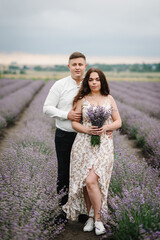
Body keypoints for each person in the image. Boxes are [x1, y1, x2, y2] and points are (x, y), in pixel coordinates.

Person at [63, 68, 122, 235]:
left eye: (97, 79)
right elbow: (75, 123)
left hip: (103, 144)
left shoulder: (109, 99)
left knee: (91, 180)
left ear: (102, 81)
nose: (94, 82)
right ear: (87, 82)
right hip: (83, 144)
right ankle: (90, 217)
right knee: (85, 183)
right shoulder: (81, 99)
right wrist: (86, 130)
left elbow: (119, 122)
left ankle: (98, 219)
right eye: (91, 80)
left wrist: (107, 127)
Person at [43, 52, 87, 223]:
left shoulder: (90, 85)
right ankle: (63, 210)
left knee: (84, 173)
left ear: (85, 66)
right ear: (69, 66)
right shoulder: (59, 85)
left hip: (85, 137)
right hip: (64, 135)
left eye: (80, 64)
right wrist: (66, 114)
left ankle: (83, 210)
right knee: (64, 172)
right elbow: (47, 108)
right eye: (74, 64)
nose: (77, 67)